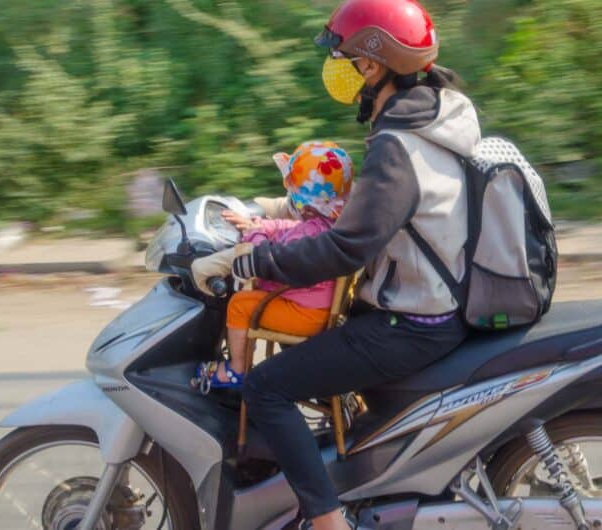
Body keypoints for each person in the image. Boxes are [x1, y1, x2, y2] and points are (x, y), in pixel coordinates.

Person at [193, 1, 482, 528]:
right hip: (427, 305)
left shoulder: (398, 146)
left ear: (371, 66)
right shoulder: (431, 122)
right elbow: (358, 211)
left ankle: (326, 520)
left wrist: (255, 260)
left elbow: (344, 248)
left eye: (342, 58)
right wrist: (272, 209)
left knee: (265, 386)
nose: (336, 70)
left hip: (412, 324)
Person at [191, 141, 354, 389]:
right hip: (316, 306)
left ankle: (237, 370)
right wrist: (260, 224)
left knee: (239, 305)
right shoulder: (326, 226)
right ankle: (243, 359)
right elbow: (288, 228)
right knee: (247, 300)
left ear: (308, 202)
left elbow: (268, 254)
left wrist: (254, 234)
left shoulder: (309, 235)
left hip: (304, 313)